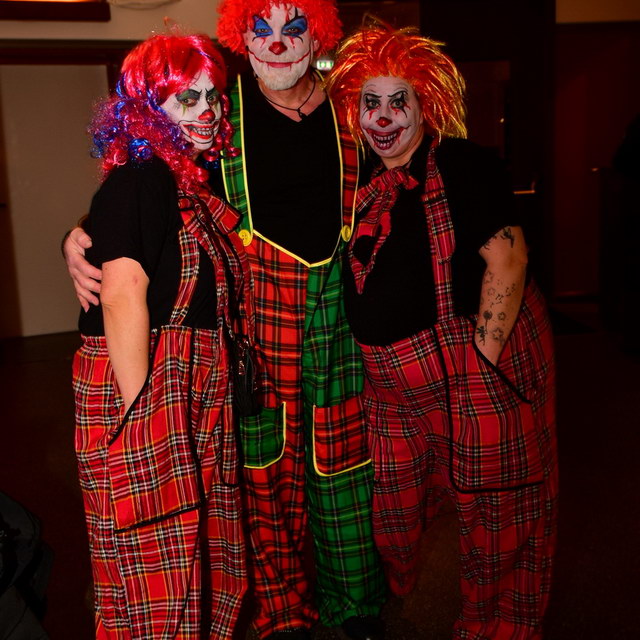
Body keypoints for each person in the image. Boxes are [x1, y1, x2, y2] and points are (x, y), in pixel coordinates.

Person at [64, 4, 386, 640]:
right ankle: (280, 610)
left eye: (293, 28)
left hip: (335, 315)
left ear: (319, 33)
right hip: (252, 318)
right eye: (260, 28)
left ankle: (355, 604)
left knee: (345, 460)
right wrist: (79, 235)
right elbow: (141, 195)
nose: (277, 44)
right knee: (259, 472)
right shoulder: (224, 114)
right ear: (241, 36)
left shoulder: (355, 110)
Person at [327, 23, 558, 639]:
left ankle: (496, 628)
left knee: (500, 516)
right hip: (393, 391)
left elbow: (508, 258)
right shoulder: (358, 183)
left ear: (425, 103)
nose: (383, 118)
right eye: (370, 102)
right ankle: (399, 589)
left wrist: (482, 366)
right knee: (393, 509)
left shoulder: (462, 163)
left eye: (397, 101)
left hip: (473, 371)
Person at [71, 33, 250, 639]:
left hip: (188, 385)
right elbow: (122, 293)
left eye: (212, 96)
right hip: (147, 385)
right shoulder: (141, 177)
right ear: (147, 110)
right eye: (185, 98)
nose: (207, 110)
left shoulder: (184, 183)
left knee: (197, 553)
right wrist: (142, 417)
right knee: (155, 560)